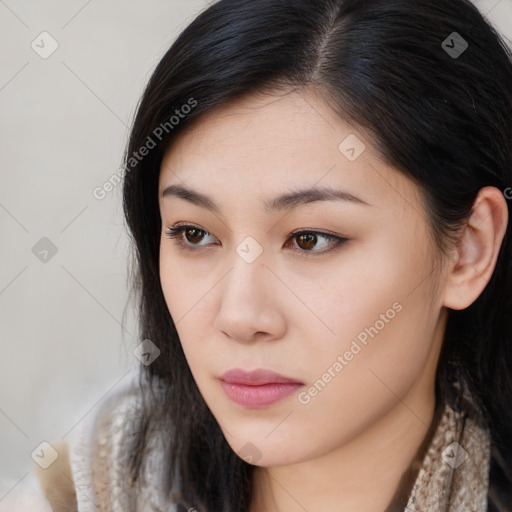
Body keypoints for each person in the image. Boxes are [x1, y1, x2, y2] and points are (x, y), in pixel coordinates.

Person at [35, 0, 512, 510]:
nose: (238, 317)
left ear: (468, 249)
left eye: (310, 239)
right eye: (195, 234)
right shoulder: (77, 493)